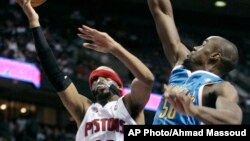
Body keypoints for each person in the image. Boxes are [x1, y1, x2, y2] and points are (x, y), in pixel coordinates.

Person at [17, 0, 154, 140]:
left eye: (105, 77)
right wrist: (34, 22)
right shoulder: (85, 109)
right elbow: (56, 76)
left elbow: (147, 79)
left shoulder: (130, 104)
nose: (98, 80)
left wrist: (115, 48)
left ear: (119, 85)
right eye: (94, 79)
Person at [148, 0, 242, 125]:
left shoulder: (220, 87)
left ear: (214, 56)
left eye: (203, 45)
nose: (195, 47)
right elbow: (161, 11)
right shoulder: (181, 65)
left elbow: (234, 119)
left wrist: (192, 110)